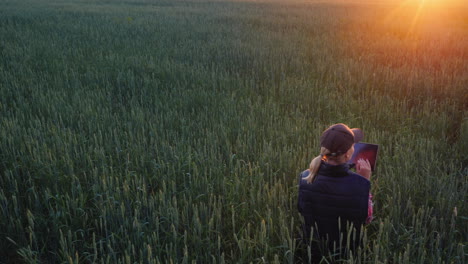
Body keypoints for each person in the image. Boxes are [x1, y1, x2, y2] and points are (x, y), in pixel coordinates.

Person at [297, 123, 373, 263]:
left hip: (313, 252)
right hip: (345, 254)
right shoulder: (360, 183)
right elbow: (366, 219)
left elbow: (303, 210)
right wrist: (365, 181)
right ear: (348, 155)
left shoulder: (305, 177)